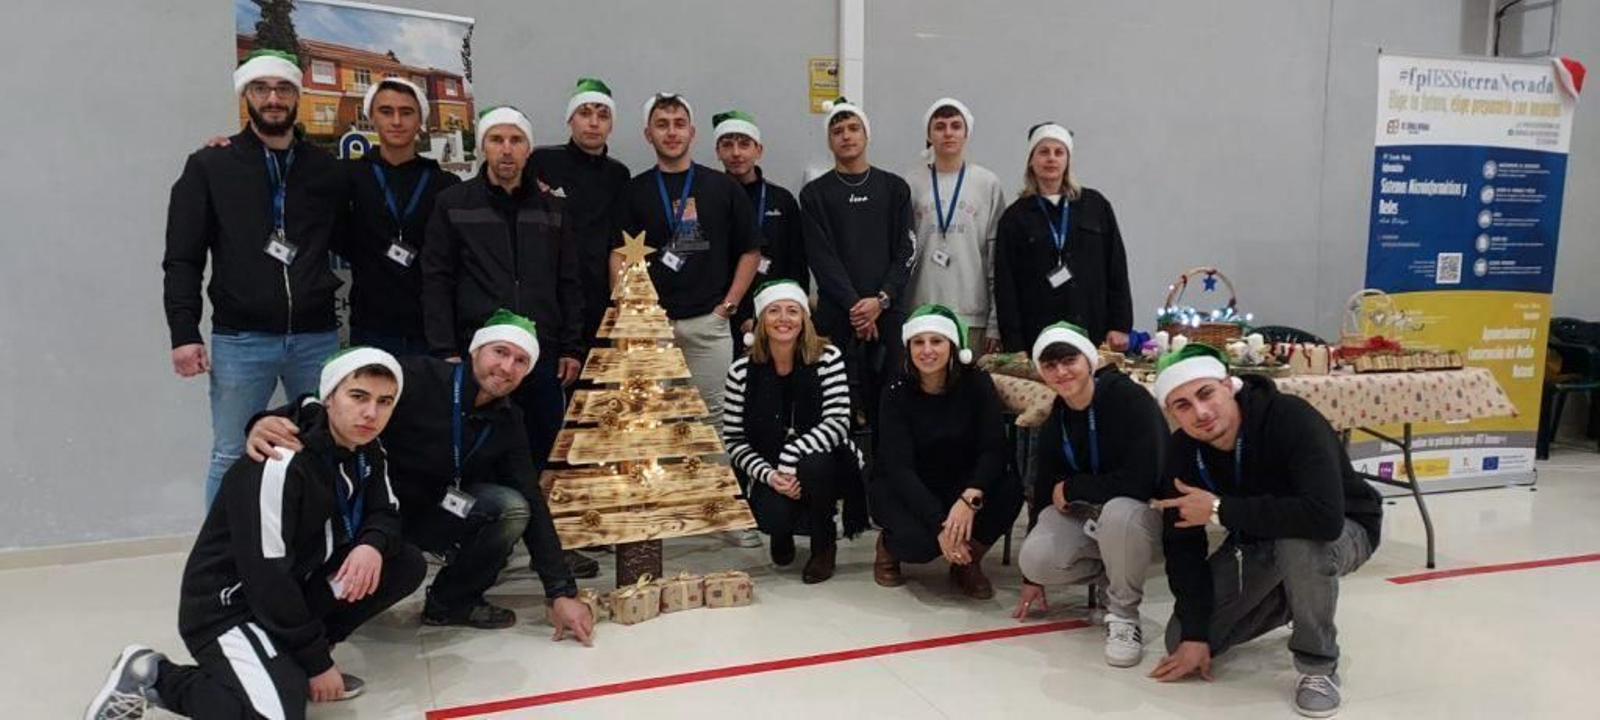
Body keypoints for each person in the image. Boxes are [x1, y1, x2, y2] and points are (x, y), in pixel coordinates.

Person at [85, 349, 426, 720]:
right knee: (272, 716)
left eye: (384, 402)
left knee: (402, 563)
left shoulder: (367, 450)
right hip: (231, 606)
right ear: (329, 397)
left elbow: (386, 514)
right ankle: (152, 675)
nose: (370, 413)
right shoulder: (282, 460)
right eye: (358, 396)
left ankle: (291, 661)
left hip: (291, 590)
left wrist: (371, 546)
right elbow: (267, 576)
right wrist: (316, 665)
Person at [245, 312, 594, 636]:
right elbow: (333, 401)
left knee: (511, 506)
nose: (506, 367)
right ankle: (304, 628)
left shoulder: (508, 420)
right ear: (475, 350)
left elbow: (532, 497)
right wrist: (265, 421)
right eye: (500, 352)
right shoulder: (416, 378)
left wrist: (560, 592)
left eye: (521, 361)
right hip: (366, 512)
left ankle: (450, 602)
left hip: (428, 513)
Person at [1147, 344, 1383, 718]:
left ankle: (1317, 665)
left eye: (1205, 393)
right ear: (1171, 413)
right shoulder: (1181, 452)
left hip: (1342, 529)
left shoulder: (1291, 418)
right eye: (1183, 405)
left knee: (1300, 546)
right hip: (1257, 538)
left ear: (1228, 384)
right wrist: (1194, 635)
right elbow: (1182, 547)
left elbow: (1323, 518)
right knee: (1182, 638)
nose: (1201, 412)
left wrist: (1220, 509)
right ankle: (1294, 596)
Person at [164, 49, 347, 507]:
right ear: (246, 95)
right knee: (232, 454)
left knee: (325, 450)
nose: (273, 98)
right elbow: (182, 258)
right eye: (261, 89)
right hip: (241, 339)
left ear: (296, 97)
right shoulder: (210, 166)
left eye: (283, 88)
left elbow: (362, 236)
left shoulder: (325, 169)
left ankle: (317, 555)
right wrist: (184, 332)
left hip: (316, 337)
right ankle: (219, 568)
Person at [421, 105, 591, 574]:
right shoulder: (454, 204)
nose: (507, 150)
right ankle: (483, 549)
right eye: (496, 140)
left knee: (546, 453)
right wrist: (445, 349)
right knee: (478, 455)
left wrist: (572, 346)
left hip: (542, 355)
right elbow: (435, 279)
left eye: (516, 140)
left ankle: (553, 549)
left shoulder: (552, 210)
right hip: (478, 359)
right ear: (483, 147)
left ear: (528, 147)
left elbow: (568, 281)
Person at [614, 93, 763, 547]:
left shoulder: (722, 188)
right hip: (652, 328)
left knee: (715, 420)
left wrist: (729, 306)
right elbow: (620, 254)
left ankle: (726, 514)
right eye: (662, 124)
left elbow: (750, 251)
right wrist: (629, 315)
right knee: (650, 422)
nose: (672, 131)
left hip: (708, 323)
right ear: (648, 134)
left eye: (680, 123)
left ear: (692, 132)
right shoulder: (635, 190)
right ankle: (661, 513)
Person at [1011, 322, 1166, 667]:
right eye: (1050, 366)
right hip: (1090, 516)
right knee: (1035, 558)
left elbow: (1144, 480)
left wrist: (1076, 487)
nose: (1061, 372)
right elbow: (1043, 491)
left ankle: (1124, 615)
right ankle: (1118, 569)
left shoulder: (1129, 399)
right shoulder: (1057, 418)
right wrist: (1030, 579)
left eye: (1069, 361)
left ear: (1089, 360)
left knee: (1119, 513)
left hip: (1141, 512)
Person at [870, 304, 1022, 599]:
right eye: (918, 342)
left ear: (953, 346)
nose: (927, 350)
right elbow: (899, 469)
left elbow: (993, 449)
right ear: (908, 347)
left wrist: (969, 498)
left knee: (1009, 490)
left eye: (936, 341)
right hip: (907, 487)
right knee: (920, 543)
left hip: (961, 485)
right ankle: (888, 548)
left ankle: (967, 561)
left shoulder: (977, 383)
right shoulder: (895, 390)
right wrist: (941, 525)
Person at [723, 281, 866, 583]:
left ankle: (823, 544)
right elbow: (734, 441)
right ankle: (781, 531)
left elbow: (839, 423)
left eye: (792, 311)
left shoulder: (828, 358)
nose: (783, 319)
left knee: (814, 465)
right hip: (770, 467)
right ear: (762, 320)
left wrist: (790, 456)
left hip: (823, 461)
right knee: (771, 514)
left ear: (804, 318)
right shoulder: (740, 372)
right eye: (774, 311)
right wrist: (772, 476)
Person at [801, 98, 917, 428]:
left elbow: (906, 251)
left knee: (891, 406)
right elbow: (821, 258)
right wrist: (856, 307)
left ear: (867, 135)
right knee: (833, 407)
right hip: (837, 315)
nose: (846, 136)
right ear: (829, 140)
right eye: (837, 131)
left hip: (888, 314)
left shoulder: (895, 188)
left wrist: (881, 300)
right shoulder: (814, 195)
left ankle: (887, 475)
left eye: (854, 128)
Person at [343, 77, 463, 355]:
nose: (396, 121)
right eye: (386, 111)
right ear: (370, 116)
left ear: (420, 119)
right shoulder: (348, 177)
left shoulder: (446, 184)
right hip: (371, 327)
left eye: (406, 112)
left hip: (432, 331)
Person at [993, 122, 1133, 355]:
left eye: (1059, 152)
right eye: (1043, 152)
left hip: (1093, 329)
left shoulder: (1096, 206)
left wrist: (1120, 325)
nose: (1051, 159)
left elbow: (1116, 267)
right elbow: (1006, 287)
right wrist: (1014, 344)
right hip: (1037, 334)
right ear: (1031, 160)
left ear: (1068, 160)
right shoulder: (1015, 218)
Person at [531, 78, 631, 344]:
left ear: (611, 125)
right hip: (549, 295)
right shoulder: (542, 161)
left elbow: (618, 242)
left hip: (598, 297)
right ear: (570, 120)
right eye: (585, 113)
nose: (594, 122)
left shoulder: (618, 174)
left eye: (603, 115)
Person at [906, 98, 1006, 355]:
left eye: (955, 126)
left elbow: (997, 257)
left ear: (966, 132)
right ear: (929, 134)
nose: (948, 133)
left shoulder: (987, 184)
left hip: (972, 316)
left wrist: (994, 324)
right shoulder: (909, 183)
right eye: (940, 126)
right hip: (920, 312)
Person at [711, 110, 808, 357]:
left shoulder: (782, 200)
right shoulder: (708, 199)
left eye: (744, 144)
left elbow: (796, 264)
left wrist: (786, 310)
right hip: (721, 314)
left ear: (759, 150)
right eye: (727, 145)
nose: (736, 152)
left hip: (776, 317)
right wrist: (734, 314)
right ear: (717, 152)